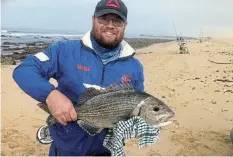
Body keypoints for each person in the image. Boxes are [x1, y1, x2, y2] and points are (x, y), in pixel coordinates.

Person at [13, 0, 144, 156]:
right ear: (93, 19)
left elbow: (137, 107)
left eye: (117, 21)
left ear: (125, 25)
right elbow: (24, 69)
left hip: (108, 151)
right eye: (104, 18)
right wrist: (50, 95)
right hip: (66, 149)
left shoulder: (135, 67)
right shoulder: (65, 51)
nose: (110, 25)